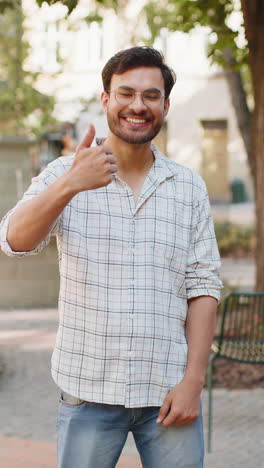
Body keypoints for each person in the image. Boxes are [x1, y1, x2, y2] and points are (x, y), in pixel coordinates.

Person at [0, 47, 222, 468]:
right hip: (88, 395)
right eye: (126, 93)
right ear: (106, 100)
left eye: (151, 96)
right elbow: (13, 240)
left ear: (165, 105)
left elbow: (204, 286)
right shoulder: (65, 174)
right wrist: (69, 185)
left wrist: (194, 381)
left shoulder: (188, 187)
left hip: (168, 394)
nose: (138, 105)